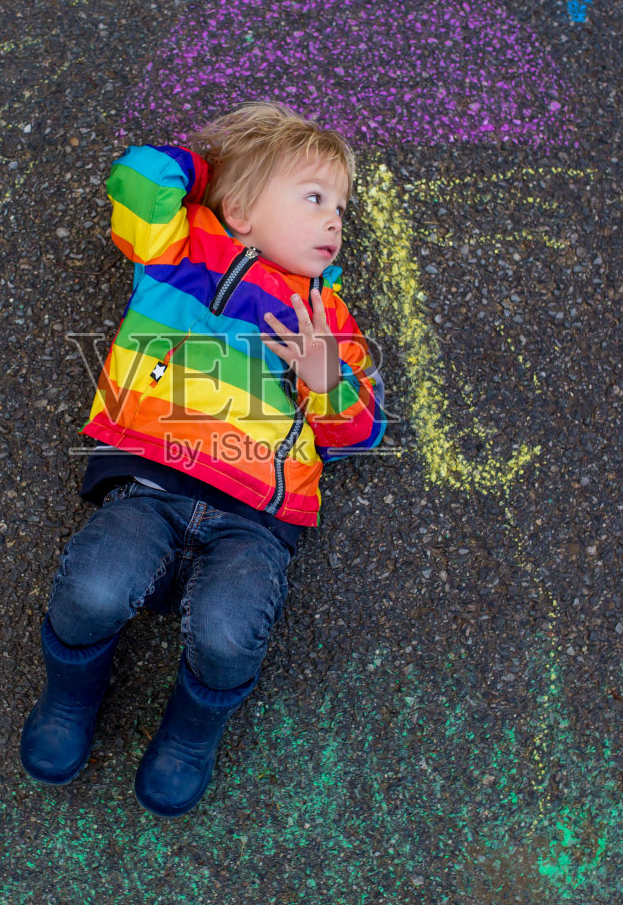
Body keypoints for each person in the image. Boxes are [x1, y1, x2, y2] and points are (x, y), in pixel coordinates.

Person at [20, 101, 386, 817]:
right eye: (315, 199)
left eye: (340, 208)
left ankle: (192, 734)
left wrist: (324, 381)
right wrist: (207, 168)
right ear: (239, 210)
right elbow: (139, 179)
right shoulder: (179, 252)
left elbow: (361, 431)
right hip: (148, 487)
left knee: (227, 635)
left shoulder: (328, 319)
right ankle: (69, 695)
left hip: (254, 521)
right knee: (92, 590)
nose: (335, 221)